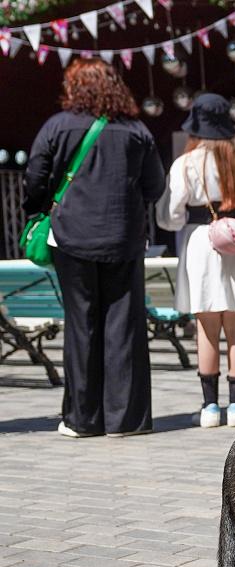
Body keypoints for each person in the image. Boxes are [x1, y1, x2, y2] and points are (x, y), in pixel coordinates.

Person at [23, 58, 165, 438]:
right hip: (124, 237)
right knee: (125, 327)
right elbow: (155, 187)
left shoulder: (58, 125)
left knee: (81, 326)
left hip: (72, 237)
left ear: (75, 88)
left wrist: (40, 207)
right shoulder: (136, 130)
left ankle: (82, 419)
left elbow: (34, 176)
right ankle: (126, 419)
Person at [157, 93, 235, 427]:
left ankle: (209, 407)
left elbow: (171, 216)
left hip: (200, 241)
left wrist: (184, 222)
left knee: (206, 327)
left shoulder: (185, 164)